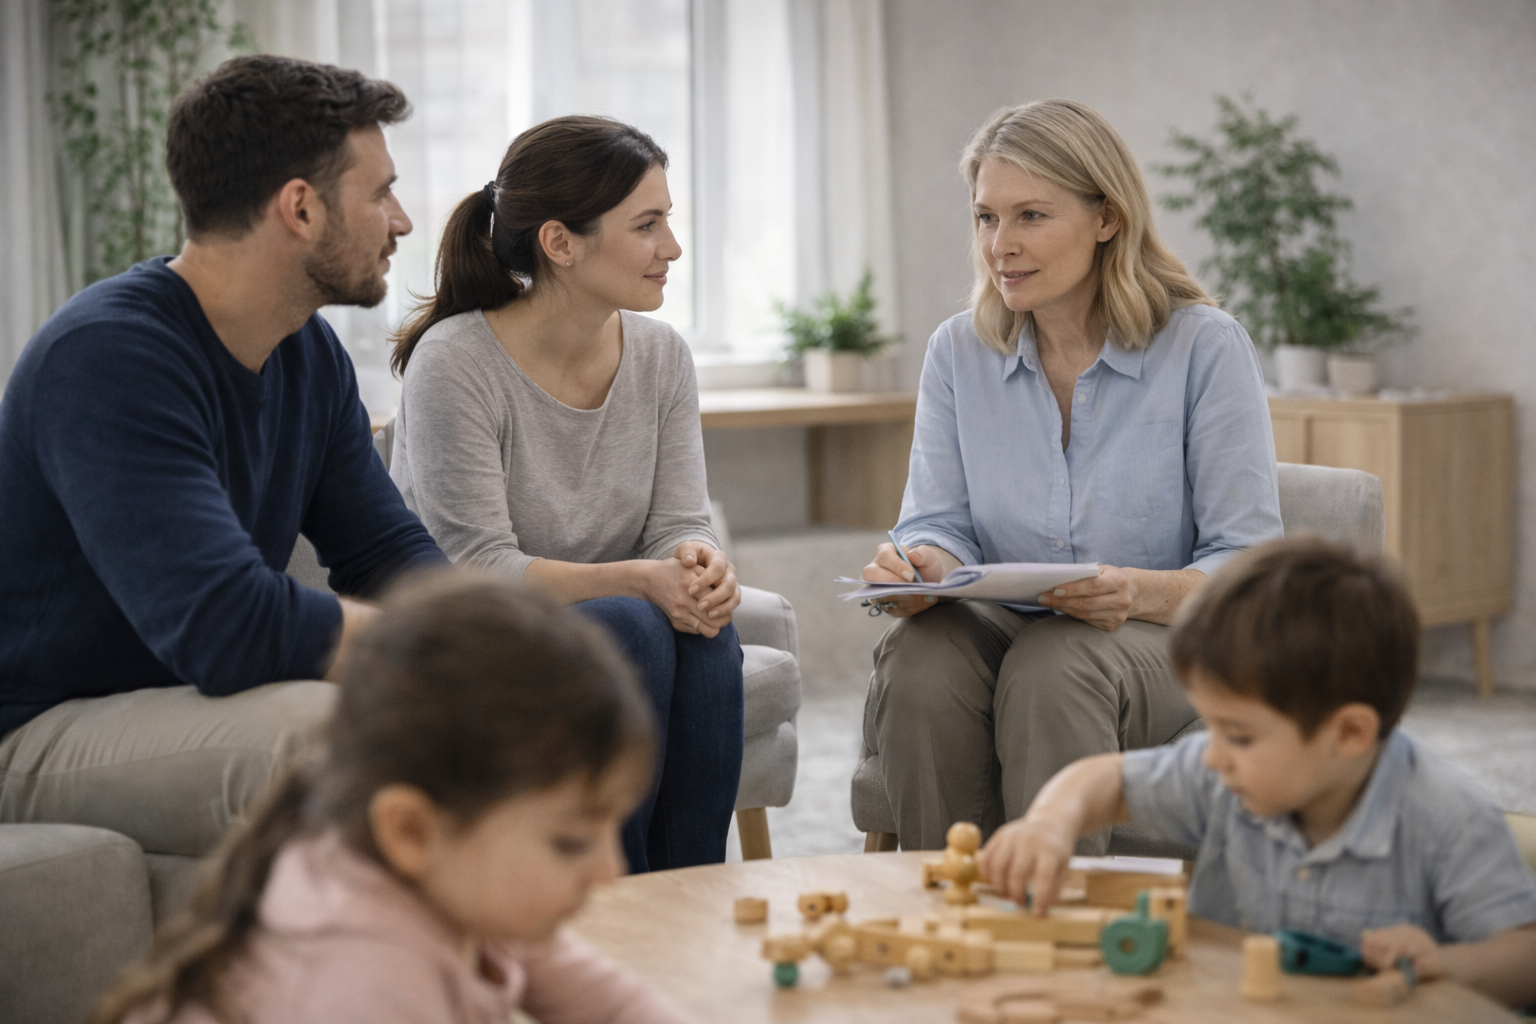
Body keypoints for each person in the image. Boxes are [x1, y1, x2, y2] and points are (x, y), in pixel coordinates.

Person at [0, 56, 443, 865]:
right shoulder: (108, 355)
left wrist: (505, 638)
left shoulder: (307, 352)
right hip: (37, 725)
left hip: (176, 703)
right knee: (332, 734)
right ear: (300, 209)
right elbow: (224, 625)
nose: (403, 220)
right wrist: (431, 654)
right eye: (380, 192)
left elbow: (386, 553)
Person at [859, 98, 1283, 851]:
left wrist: (1140, 590)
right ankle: (944, 904)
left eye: (1030, 216)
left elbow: (1246, 564)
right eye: (987, 218)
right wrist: (925, 563)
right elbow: (939, 518)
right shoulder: (959, 352)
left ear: (1107, 219)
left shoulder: (1204, 348)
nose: (1001, 245)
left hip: (1160, 637)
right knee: (921, 659)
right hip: (1005, 625)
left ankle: (1054, 921)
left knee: (1059, 663)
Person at [93, 572, 699, 1024]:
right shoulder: (362, 980)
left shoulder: (457, 878)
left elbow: (608, 1002)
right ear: (410, 831)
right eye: (571, 841)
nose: (611, 871)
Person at [388, 116, 743, 871]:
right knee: (635, 627)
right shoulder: (455, 364)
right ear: (560, 242)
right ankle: (614, 907)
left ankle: (694, 899)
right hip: (474, 636)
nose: (672, 249)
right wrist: (642, 582)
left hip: (620, 617)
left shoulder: (661, 356)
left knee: (707, 632)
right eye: (647, 226)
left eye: (668, 221)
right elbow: (477, 566)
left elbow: (680, 520)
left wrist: (698, 564)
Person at [979, 537, 1536, 1009]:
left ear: (1349, 734)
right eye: (1213, 728)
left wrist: (1449, 964)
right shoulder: (1225, 778)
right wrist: (1051, 823)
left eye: (1238, 735)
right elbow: (1105, 780)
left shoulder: (1448, 819)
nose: (1213, 755)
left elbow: (1523, 956)